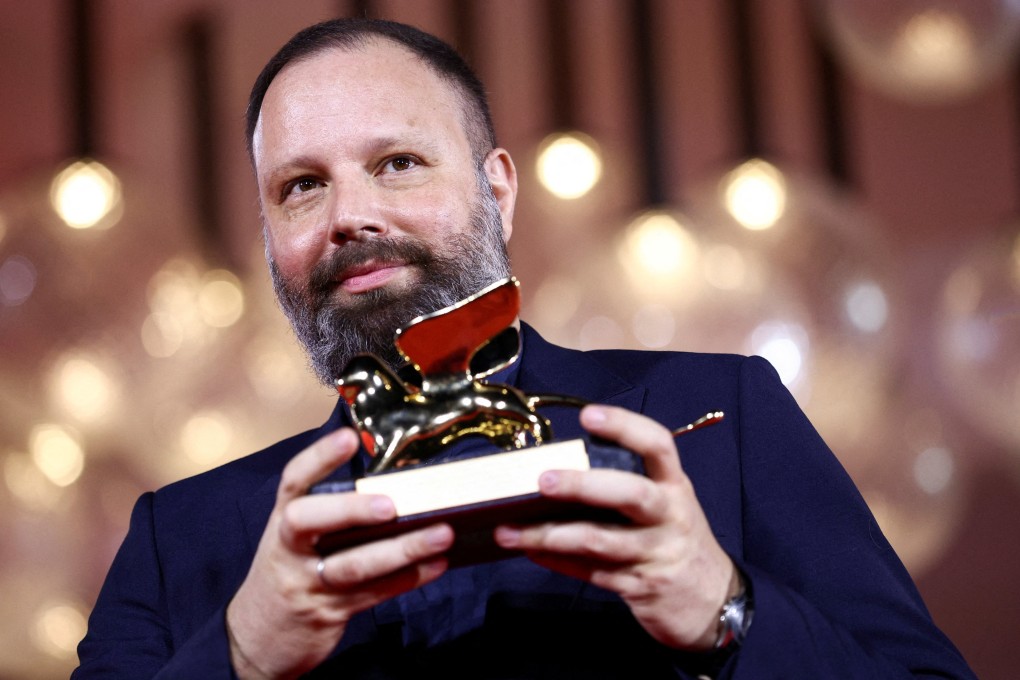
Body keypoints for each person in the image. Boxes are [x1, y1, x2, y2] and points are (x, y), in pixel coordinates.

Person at [72, 17, 976, 679]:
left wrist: (725, 610)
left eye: (397, 163)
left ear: (498, 192)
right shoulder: (178, 537)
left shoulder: (725, 421)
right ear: (268, 238)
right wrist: (238, 656)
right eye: (302, 186)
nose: (351, 216)